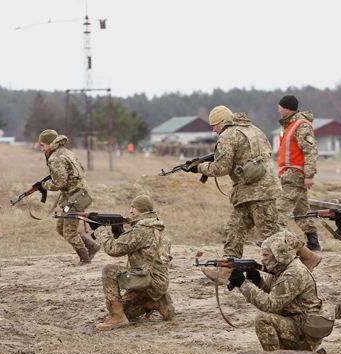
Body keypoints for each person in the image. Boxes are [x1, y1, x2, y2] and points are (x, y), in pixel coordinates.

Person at [189, 105, 320, 282]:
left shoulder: (228, 135)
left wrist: (199, 168)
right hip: (253, 190)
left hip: (257, 191)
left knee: (271, 232)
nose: (213, 129)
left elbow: (221, 168)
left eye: (214, 125)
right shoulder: (253, 129)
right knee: (235, 228)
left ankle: (307, 256)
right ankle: (228, 270)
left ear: (221, 122)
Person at [228, 230, 330, 353]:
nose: (262, 260)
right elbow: (277, 292)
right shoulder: (286, 267)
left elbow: (269, 304)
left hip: (304, 330)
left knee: (263, 320)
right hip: (298, 322)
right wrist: (258, 281)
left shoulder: (293, 274)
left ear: (278, 255)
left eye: (266, 255)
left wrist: (243, 284)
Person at [92, 194, 174, 330]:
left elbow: (113, 249)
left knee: (109, 270)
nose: (130, 211)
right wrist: (119, 232)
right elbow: (134, 245)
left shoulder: (142, 230)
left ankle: (118, 317)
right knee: (127, 311)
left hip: (147, 280)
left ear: (143, 211)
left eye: (134, 208)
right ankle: (156, 301)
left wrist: (99, 230)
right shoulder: (158, 227)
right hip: (156, 280)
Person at [37, 129, 99, 265]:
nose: (41, 148)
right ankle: (92, 246)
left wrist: (44, 185)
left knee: (69, 232)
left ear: (49, 143)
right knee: (61, 228)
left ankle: (85, 259)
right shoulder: (66, 151)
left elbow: (59, 183)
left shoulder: (55, 158)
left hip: (76, 198)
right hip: (78, 194)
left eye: (42, 145)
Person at [275, 95, 321, 252]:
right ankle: (313, 244)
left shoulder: (301, 126)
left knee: (279, 210)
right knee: (302, 212)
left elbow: (310, 151)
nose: (278, 110)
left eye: (280, 107)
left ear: (287, 109)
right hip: (289, 174)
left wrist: (309, 175)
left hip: (295, 175)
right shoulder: (289, 126)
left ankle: (273, 242)